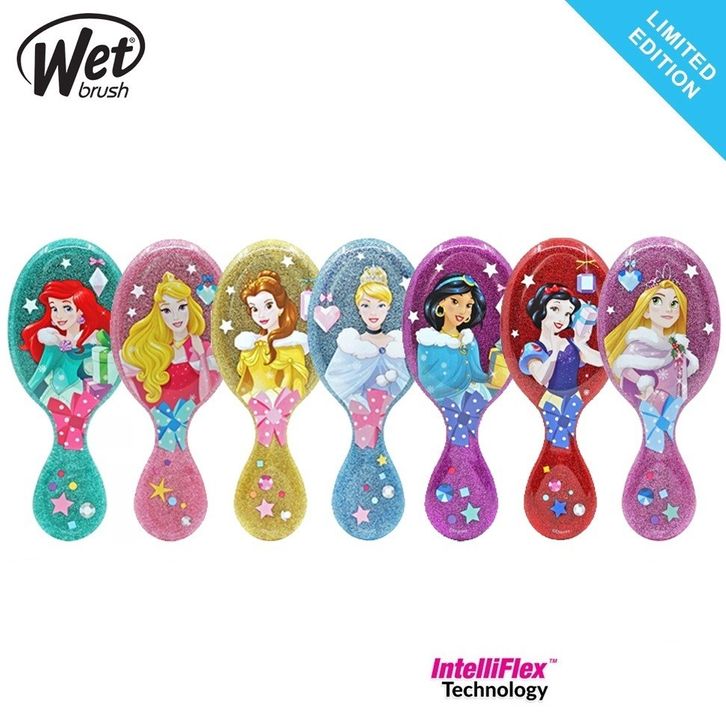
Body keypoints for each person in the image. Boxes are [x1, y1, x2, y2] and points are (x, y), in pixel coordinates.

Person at [604, 278, 698, 452]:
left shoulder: (676, 346)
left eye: (674, 303)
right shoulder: (638, 345)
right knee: (654, 439)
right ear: (645, 311)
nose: (668, 309)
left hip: (671, 406)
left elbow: (680, 380)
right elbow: (625, 368)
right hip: (647, 405)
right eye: (657, 301)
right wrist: (641, 383)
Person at [518, 282, 602, 448]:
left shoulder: (571, 344)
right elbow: (541, 378)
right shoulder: (533, 348)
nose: (561, 319)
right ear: (541, 309)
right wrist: (555, 352)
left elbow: (601, 361)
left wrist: (581, 343)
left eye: (567, 313)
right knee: (556, 439)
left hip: (574, 400)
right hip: (551, 403)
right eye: (555, 309)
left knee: (566, 439)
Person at [121, 272, 218, 407]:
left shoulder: (204, 349)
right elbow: (127, 374)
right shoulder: (153, 349)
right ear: (159, 314)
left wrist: (201, 355)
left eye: (181, 307)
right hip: (160, 412)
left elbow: (206, 393)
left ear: (190, 307)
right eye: (167, 310)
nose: (176, 317)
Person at [324, 266, 408, 404]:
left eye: (380, 305)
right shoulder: (351, 346)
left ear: (388, 307)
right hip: (360, 407)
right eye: (366, 305)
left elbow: (405, 380)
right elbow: (337, 382)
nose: (373, 312)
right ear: (358, 307)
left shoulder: (397, 346)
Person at [21, 279, 110, 406]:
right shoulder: (53, 340)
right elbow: (43, 369)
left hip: (79, 392)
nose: (59, 315)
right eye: (54, 308)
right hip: (52, 393)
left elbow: (98, 371)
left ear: (81, 310)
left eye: (67, 308)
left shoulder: (92, 339)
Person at [234, 270, 309, 402]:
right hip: (253, 402)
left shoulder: (292, 345)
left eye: (268, 306)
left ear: (281, 307)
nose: (261, 315)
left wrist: (277, 405)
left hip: (281, 402)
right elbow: (246, 383)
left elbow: (296, 385)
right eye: (254, 309)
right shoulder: (251, 345)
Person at [415, 273, 491, 405]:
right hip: (444, 401)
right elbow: (426, 380)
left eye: (468, 305)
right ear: (441, 302)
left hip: (474, 395)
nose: (462, 311)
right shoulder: (429, 342)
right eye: (455, 302)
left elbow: (477, 372)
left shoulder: (469, 340)